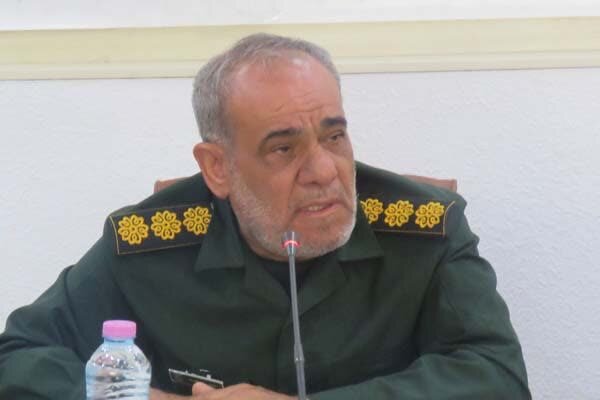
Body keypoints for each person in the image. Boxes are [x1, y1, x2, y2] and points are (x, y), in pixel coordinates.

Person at [0, 33, 530, 400]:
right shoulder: (149, 243)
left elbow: (497, 377)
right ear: (218, 167)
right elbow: (17, 357)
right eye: (283, 149)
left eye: (334, 136)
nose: (323, 171)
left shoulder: (425, 232)